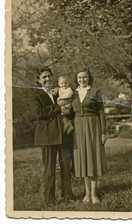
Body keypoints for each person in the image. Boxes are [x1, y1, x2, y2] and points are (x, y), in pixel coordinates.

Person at [31, 66, 72, 207]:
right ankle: (49, 200)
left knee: (66, 166)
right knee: (49, 169)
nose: (48, 79)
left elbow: (69, 106)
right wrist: (58, 106)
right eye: (44, 77)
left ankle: (68, 197)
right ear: (38, 80)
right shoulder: (35, 95)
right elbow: (39, 113)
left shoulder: (58, 92)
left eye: (49, 76)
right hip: (47, 137)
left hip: (64, 134)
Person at [72, 68, 107, 204]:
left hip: (93, 126)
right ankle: (86, 194)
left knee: (92, 158)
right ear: (76, 79)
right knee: (83, 160)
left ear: (89, 78)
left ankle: (94, 193)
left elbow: (101, 112)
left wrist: (103, 132)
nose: (82, 80)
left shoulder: (95, 91)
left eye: (84, 77)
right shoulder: (72, 93)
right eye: (79, 77)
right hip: (78, 128)